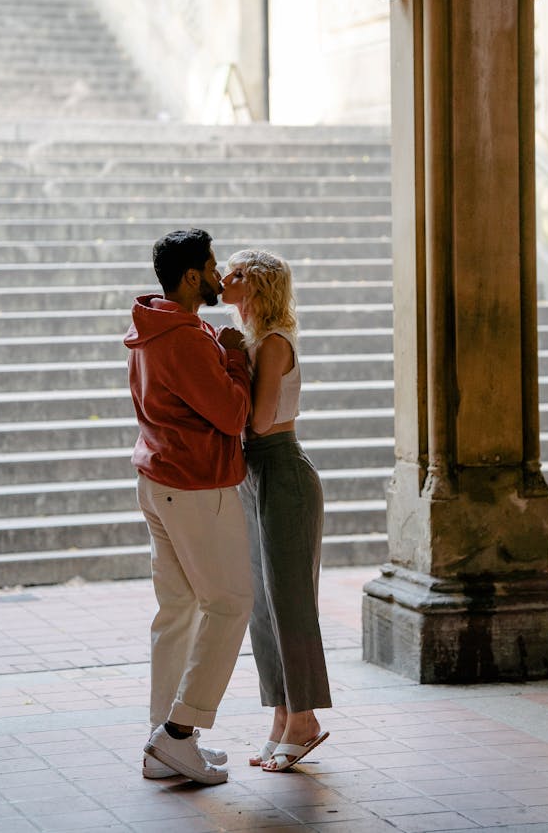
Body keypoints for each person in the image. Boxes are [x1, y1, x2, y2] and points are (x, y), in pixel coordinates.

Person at [124, 228, 254, 786]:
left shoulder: (155, 326)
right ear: (192, 277)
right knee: (230, 602)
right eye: (211, 264)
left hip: (159, 479)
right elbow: (231, 416)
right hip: (196, 485)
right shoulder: (188, 339)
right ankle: (178, 734)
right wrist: (234, 360)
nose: (220, 272)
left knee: (177, 609)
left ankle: (165, 742)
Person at [221, 248, 331, 773]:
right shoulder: (249, 342)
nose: (225, 278)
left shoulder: (271, 344)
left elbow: (260, 422)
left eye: (238, 274)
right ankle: (281, 715)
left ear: (259, 286)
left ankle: (304, 719)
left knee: (290, 602)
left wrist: (224, 378)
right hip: (253, 475)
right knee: (261, 606)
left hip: (281, 472)